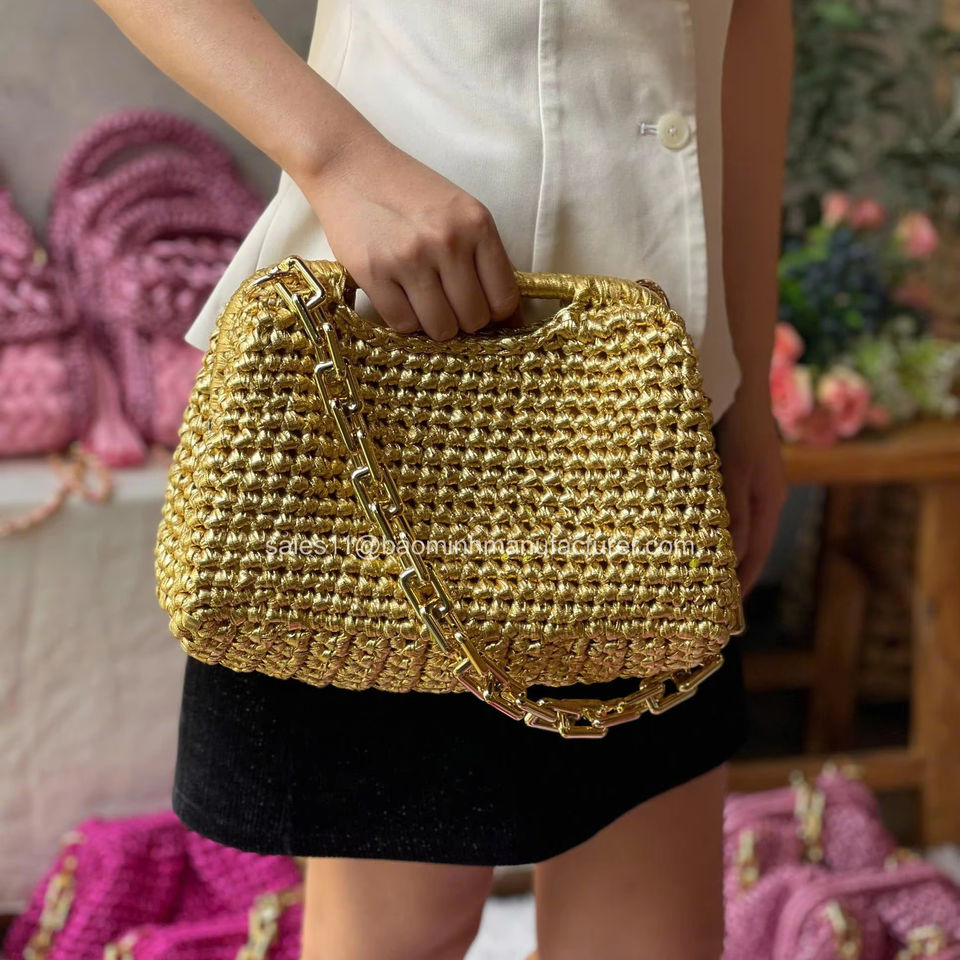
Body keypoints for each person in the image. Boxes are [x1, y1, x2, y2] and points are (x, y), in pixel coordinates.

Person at [93, 1, 792, 957]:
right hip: (392, 390)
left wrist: (746, 377)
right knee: (398, 932)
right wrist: (341, 161)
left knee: (650, 936)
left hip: (655, 411)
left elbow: (753, 22)